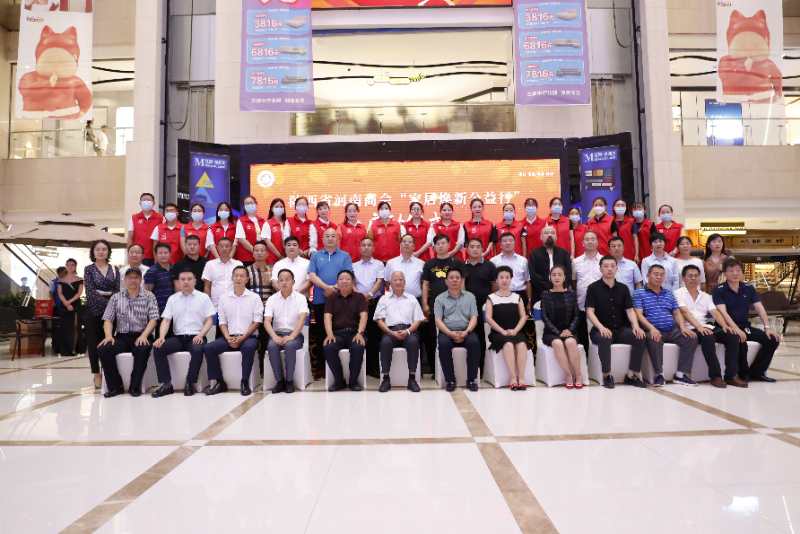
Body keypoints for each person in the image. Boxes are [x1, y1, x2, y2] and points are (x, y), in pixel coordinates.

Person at [713, 257, 781, 384]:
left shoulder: (748, 288)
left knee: (772, 339)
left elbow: (760, 308)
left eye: (738, 270)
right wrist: (736, 329)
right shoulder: (719, 290)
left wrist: (767, 328)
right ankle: (742, 373)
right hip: (727, 327)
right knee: (740, 340)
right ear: (725, 273)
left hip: (745, 326)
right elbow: (723, 313)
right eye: (731, 270)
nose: (735, 273)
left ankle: (757, 372)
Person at [151, 269, 215, 397]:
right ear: (178, 282)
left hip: (197, 335)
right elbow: (166, 320)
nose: (186, 282)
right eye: (183, 279)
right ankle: (166, 384)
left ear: (195, 281)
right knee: (158, 347)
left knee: (197, 349)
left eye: (189, 279)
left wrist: (201, 335)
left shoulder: (203, 298)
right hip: (178, 338)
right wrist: (162, 337)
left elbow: (209, 320)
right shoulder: (173, 299)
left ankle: (190, 383)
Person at [585, 256, 647, 389]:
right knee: (605, 338)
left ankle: (632, 374)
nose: (609, 269)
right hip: (599, 330)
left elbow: (629, 310)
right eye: (606, 266)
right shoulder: (593, 288)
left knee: (640, 336)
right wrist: (601, 327)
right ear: (600, 269)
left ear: (616, 268)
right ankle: (607, 375)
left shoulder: (623, 288)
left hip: (620, 329)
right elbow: (590, 311)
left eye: (612, 266)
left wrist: (636, 326)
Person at [97, 268, 159, 398]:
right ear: (124, 280)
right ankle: (115, 386)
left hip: (142, 335)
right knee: (104, 349)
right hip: (122, 336)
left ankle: (134, 386)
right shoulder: (116, 297)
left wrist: (144, 335)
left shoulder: (149, 296)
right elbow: (108, 319)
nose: (133, 280)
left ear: (141, 280)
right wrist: (108, 336)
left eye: (136, 277)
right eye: (130, 278)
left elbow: (154, 319)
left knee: (142, 349)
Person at [634, 264, 699, 386]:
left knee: (691, 337)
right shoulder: (639, 293)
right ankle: (659, 375)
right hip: (653, 329)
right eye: (656, 274)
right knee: (654, 338)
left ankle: (680, 375)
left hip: (672, 329)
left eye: (661, 275)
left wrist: (683, 327)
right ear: (648, 275)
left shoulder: (668, 293)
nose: (659, 277)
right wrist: (652, 328)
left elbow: (676, 312)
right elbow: (638, 314)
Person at [203, 266, 263, 395]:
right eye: (236, 275)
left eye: (242, 276)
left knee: (248, 348)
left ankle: (244, 382)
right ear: (232, 278)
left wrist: (243, 337)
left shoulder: (254, 298)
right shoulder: (224, 298)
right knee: (208, 348)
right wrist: (227, 337)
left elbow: (257, 322)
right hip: (229, 336)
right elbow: (222, 322)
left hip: (249, 337)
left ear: (247, 279)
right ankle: (219, 382)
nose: (238, 278)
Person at [675, 264, 736, 388]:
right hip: (690, 327)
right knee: (708, 338)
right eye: (690, 276)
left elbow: (715, 312)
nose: (693, 278)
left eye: (696, 276)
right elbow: (684, 312)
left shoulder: (706, 296)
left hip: (705, 326)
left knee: (732, 336)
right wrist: (699, 327)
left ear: (700, 278)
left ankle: (731, 376)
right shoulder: (678, 293)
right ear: (684, 278)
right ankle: (716, 376)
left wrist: (724, 325)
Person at [308, 228, 353, 378]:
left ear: (338, 239)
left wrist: (334, 288)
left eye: (333, 236)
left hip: (341, 301)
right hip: (320, 300)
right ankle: (321, 368)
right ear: (322, 239)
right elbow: (312, 275)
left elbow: (347, 276)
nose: (330, 238)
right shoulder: (316, 256)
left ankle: (340, 368)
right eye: (327, 236)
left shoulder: (345, 256)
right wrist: (326, 287)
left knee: (338, 332)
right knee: (321, 334)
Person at [374, 271, 424, 393]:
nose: (398, 282)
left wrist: (407, 331)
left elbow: (418, 320)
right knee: (385, 343)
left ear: (404, 282)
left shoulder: (412, 298)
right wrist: (391, 333)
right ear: (390, 283)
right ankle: (386, 379)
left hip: (409, 330)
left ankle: (412, 379)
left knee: (413, 342)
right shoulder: (384, 299)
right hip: (390, 331)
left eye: (400, 280)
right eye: (395, 280)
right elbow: (379, 320)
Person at [422, 234, 464, 375]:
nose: (440, 246)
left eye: (443, 243)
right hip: (434, 306)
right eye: (438, 244)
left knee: (452, 336)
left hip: (454, 306)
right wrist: (425, 304)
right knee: (432, 337)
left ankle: (453, 369)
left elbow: (462, 284)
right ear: (434, 247)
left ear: (449, 245)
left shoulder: (456, 263)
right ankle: (435, 369)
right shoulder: (429, 264)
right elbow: (425, 284)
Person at [434, 267, 480, 392]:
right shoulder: (439, 299)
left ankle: (471, 380)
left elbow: (474, 317)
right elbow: (438, 320)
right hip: (447, 331)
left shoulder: (470, 297)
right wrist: (449, 333)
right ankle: (450, 380)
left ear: (462, 280)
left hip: (466, 330)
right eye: (451, 278)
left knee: (474, 343)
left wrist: (467, 332)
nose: (454, 280)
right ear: (446, 281)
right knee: (443, 344)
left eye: (457, 278)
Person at [264, 268, 309, 394]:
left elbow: (302, 319)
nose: (284, 282)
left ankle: (289, 381)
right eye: (281, 280)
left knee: (290, 346)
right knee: (272, 346)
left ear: (293, 282)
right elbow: (267, 321)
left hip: (295, 334)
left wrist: (292, 336)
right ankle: (279, 381)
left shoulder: (300, 298)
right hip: (277, 333)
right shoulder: (272, 299)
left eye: (287, 280)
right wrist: (274, 336)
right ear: (278, 282)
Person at [485, 266, 529, 390]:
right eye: (501, 277)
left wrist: (515, 330)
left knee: (521, 344)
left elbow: (523, 316)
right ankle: (513, 378)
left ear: (511, 279)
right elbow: (488, 318)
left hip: (515, 331)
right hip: (498, 333)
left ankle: (521, 378)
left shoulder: (517, 297)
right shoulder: (491, 298)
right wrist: (502, 331)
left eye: (507, 277)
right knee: (508, 344)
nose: (504, 280)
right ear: (497, 280)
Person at [323, 270, 368, 391]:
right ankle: (339, 381)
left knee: (358, 347)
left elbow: (364, 316)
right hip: (337, 334)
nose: (344, 281)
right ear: (337, 282)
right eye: (341, 279)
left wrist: (360, 333)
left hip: (355, 333)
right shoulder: (331, 298)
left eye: (347, 279)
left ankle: (353, 381)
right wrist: (329, 334)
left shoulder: (360, 297)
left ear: (353, 282)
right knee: (329, 347)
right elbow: (327, 317)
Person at [84, 240, 120, 389]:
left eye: (104, 249)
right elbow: (90, 292)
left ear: (108, 252)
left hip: (111, 313)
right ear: (93, 252)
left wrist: (111, 304)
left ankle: (107, 372)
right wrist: (109, 303)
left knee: (108, 341)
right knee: (93, 344)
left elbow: (117, 291)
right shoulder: (89, 269)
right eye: (98, 249)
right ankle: (96, 373)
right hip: (93, 311)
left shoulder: (115, 269)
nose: (101, 252)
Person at [539, 265, 583, 388]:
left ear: (564, 277)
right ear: (550, 277)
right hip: (551, 332)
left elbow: (577, 315)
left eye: (559, 275)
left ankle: (578, 375)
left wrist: (569, 330)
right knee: (558, 343)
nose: (556, 277)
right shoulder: (545, 294)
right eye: (554, 275)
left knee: (570, 342)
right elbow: (544, 317)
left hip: (569, 331)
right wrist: (558, 333)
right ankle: (568, 374)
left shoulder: (571, 294)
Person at [490, 232, 534, 350]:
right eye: (504, 241)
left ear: (515, 243)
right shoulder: (494, 261)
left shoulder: (523, 260)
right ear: (500, 244)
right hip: (500, 297)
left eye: (510, 240)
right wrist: (494, 298)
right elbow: (493, 283)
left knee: (521, 328)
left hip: (520, 295)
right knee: (503, 326)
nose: (508, 243)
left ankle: (522, 350)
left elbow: (527, 281)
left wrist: (529, 301)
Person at [462, 237, 497, 370]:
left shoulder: (489, 266)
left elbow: (494, 287)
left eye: (478, 247)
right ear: (467, 249)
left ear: (482, 249)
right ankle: (471, 366)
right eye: (472, 247)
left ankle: (482, 367)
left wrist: (491, 304)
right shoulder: (462, 266)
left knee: (483, 336)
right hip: (468, 308)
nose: (475, 249)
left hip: (485, 308)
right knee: (470, 336)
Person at [352, 237, 385, 378]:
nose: (366, 247)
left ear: (373, 248)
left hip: (375, 303)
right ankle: (361, 368)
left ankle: (374, 367)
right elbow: (352, 283)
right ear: (359, 248)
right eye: (363, 245)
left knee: (375, 336)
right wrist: (360, 296)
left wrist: (369, 294)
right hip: (358, 304)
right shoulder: (353, 265)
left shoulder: (379, 264)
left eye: (369, 245)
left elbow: (379, 281)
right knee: (360, 333)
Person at [247, 241, 276, 376]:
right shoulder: (246, 271)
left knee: (266, 340)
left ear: (267, 253)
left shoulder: (273, 270)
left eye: (262, 250)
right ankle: (253, 371)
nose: (259, 253)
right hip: (251, 311)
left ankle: (264, 370)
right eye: (256, 250)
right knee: (252, 340)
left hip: (268, 311)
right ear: (253, 253)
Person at [572, 231, 601, 352]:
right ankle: (586, 360)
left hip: (601, 305)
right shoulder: (576, 262)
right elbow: (574, 282)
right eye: (587, 239)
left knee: (600, 335)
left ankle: (600, 360)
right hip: (581, 304)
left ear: (597, 242)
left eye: (593, 239)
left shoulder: (604, 261)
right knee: (582, 337)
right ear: (582, 243)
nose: (590, 241)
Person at [529, 225, 572, 303]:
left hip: (561, 293)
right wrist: (550, 288)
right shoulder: (534, 254)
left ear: (556, 237)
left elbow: (568, 273)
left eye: (552, 233)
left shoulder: (564, 253)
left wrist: (559, 288)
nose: (549, 235)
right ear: (541, 237)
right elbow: (533, 275)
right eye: (546, 233)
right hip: (540, 295)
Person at [201, 237, 243, 310]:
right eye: (221, 246)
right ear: (217, 248)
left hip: (235, 305)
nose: (224, 248)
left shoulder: (238, 264)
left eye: (227, 246)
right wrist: (207, 306)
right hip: (215, 307)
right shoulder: (210, 264)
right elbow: (207, 287)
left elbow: (242, 284)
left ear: (231, 248)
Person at [56, 259, 83, 357]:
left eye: (72, 265)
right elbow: (60, 293)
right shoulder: (61, 280)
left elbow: (79, 293)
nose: (70, 267)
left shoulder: (80, 279)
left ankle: (75, 349)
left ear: (75, 266)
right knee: (65, 327)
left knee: (75, 326)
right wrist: (66, 303)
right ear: (66, 266)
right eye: (68, 265)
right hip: (64, 306)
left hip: (76, 304)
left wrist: (70, 302)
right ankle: (65, 349)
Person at [128, 193, 162, 266]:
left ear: (154, 203)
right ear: (140, 203)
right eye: (144, 200)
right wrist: (129, 256)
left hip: (155, 256)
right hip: (138, 256)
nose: (146, 202)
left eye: (149, 200)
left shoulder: (161, 218)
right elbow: (130, 238)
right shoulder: (134, 218)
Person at [234, 195, 265, 265]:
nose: (249, 205)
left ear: (256, 204)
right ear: (244, 207)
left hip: (261, 257)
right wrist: (256, 252)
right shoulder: (241, 221)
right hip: (246, 258)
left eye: (251, 203)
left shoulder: (262, 221)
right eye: (247, 204)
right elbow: (241, 239)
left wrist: (260, 253)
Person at [144, 243, 174, 314]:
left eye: (165, 253)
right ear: (156, 255)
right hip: (159, 311)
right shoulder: (151, 272)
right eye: (160, 253)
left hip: (174, 310)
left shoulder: (174, 269)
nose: (163, 255)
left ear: (170, 254)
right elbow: (147, 294)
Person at [261, 198, 290, 264]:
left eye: (281, 207)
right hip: (272, 259)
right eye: (276, 207)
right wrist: (279, 256)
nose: (279, 208)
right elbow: (267, 242)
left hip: (287, 258)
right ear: (272, 209)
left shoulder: (287, 223)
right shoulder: (267, 223)